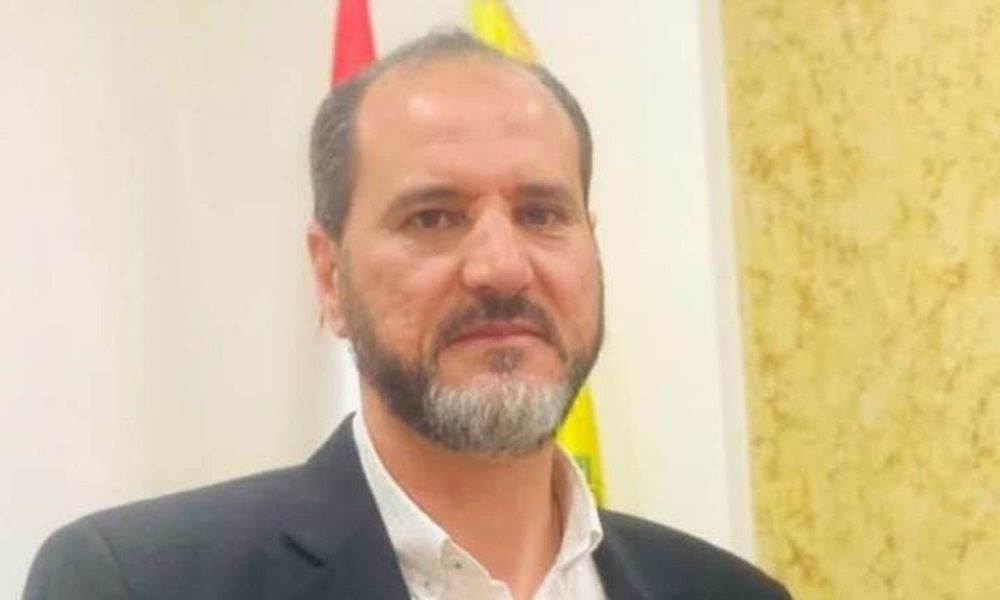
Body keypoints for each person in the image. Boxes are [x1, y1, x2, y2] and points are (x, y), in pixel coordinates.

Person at [24, 30, 790, 600]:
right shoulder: (135, 584)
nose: (502, 267)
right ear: (330, 277)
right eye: (433, 218)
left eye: (541, 213)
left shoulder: (729, 594)